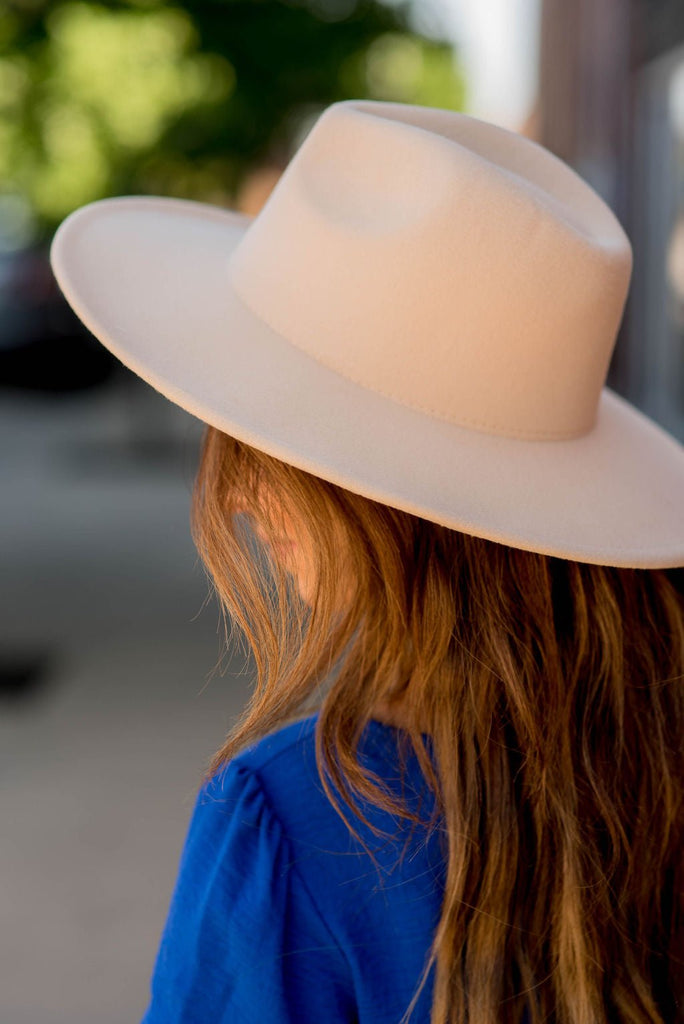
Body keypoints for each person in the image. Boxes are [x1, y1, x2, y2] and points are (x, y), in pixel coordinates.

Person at [49, 99, 684, 1024]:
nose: (233, 494)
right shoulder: (652, 761)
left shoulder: (297, 828)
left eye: (259, 437)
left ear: (372, 501)